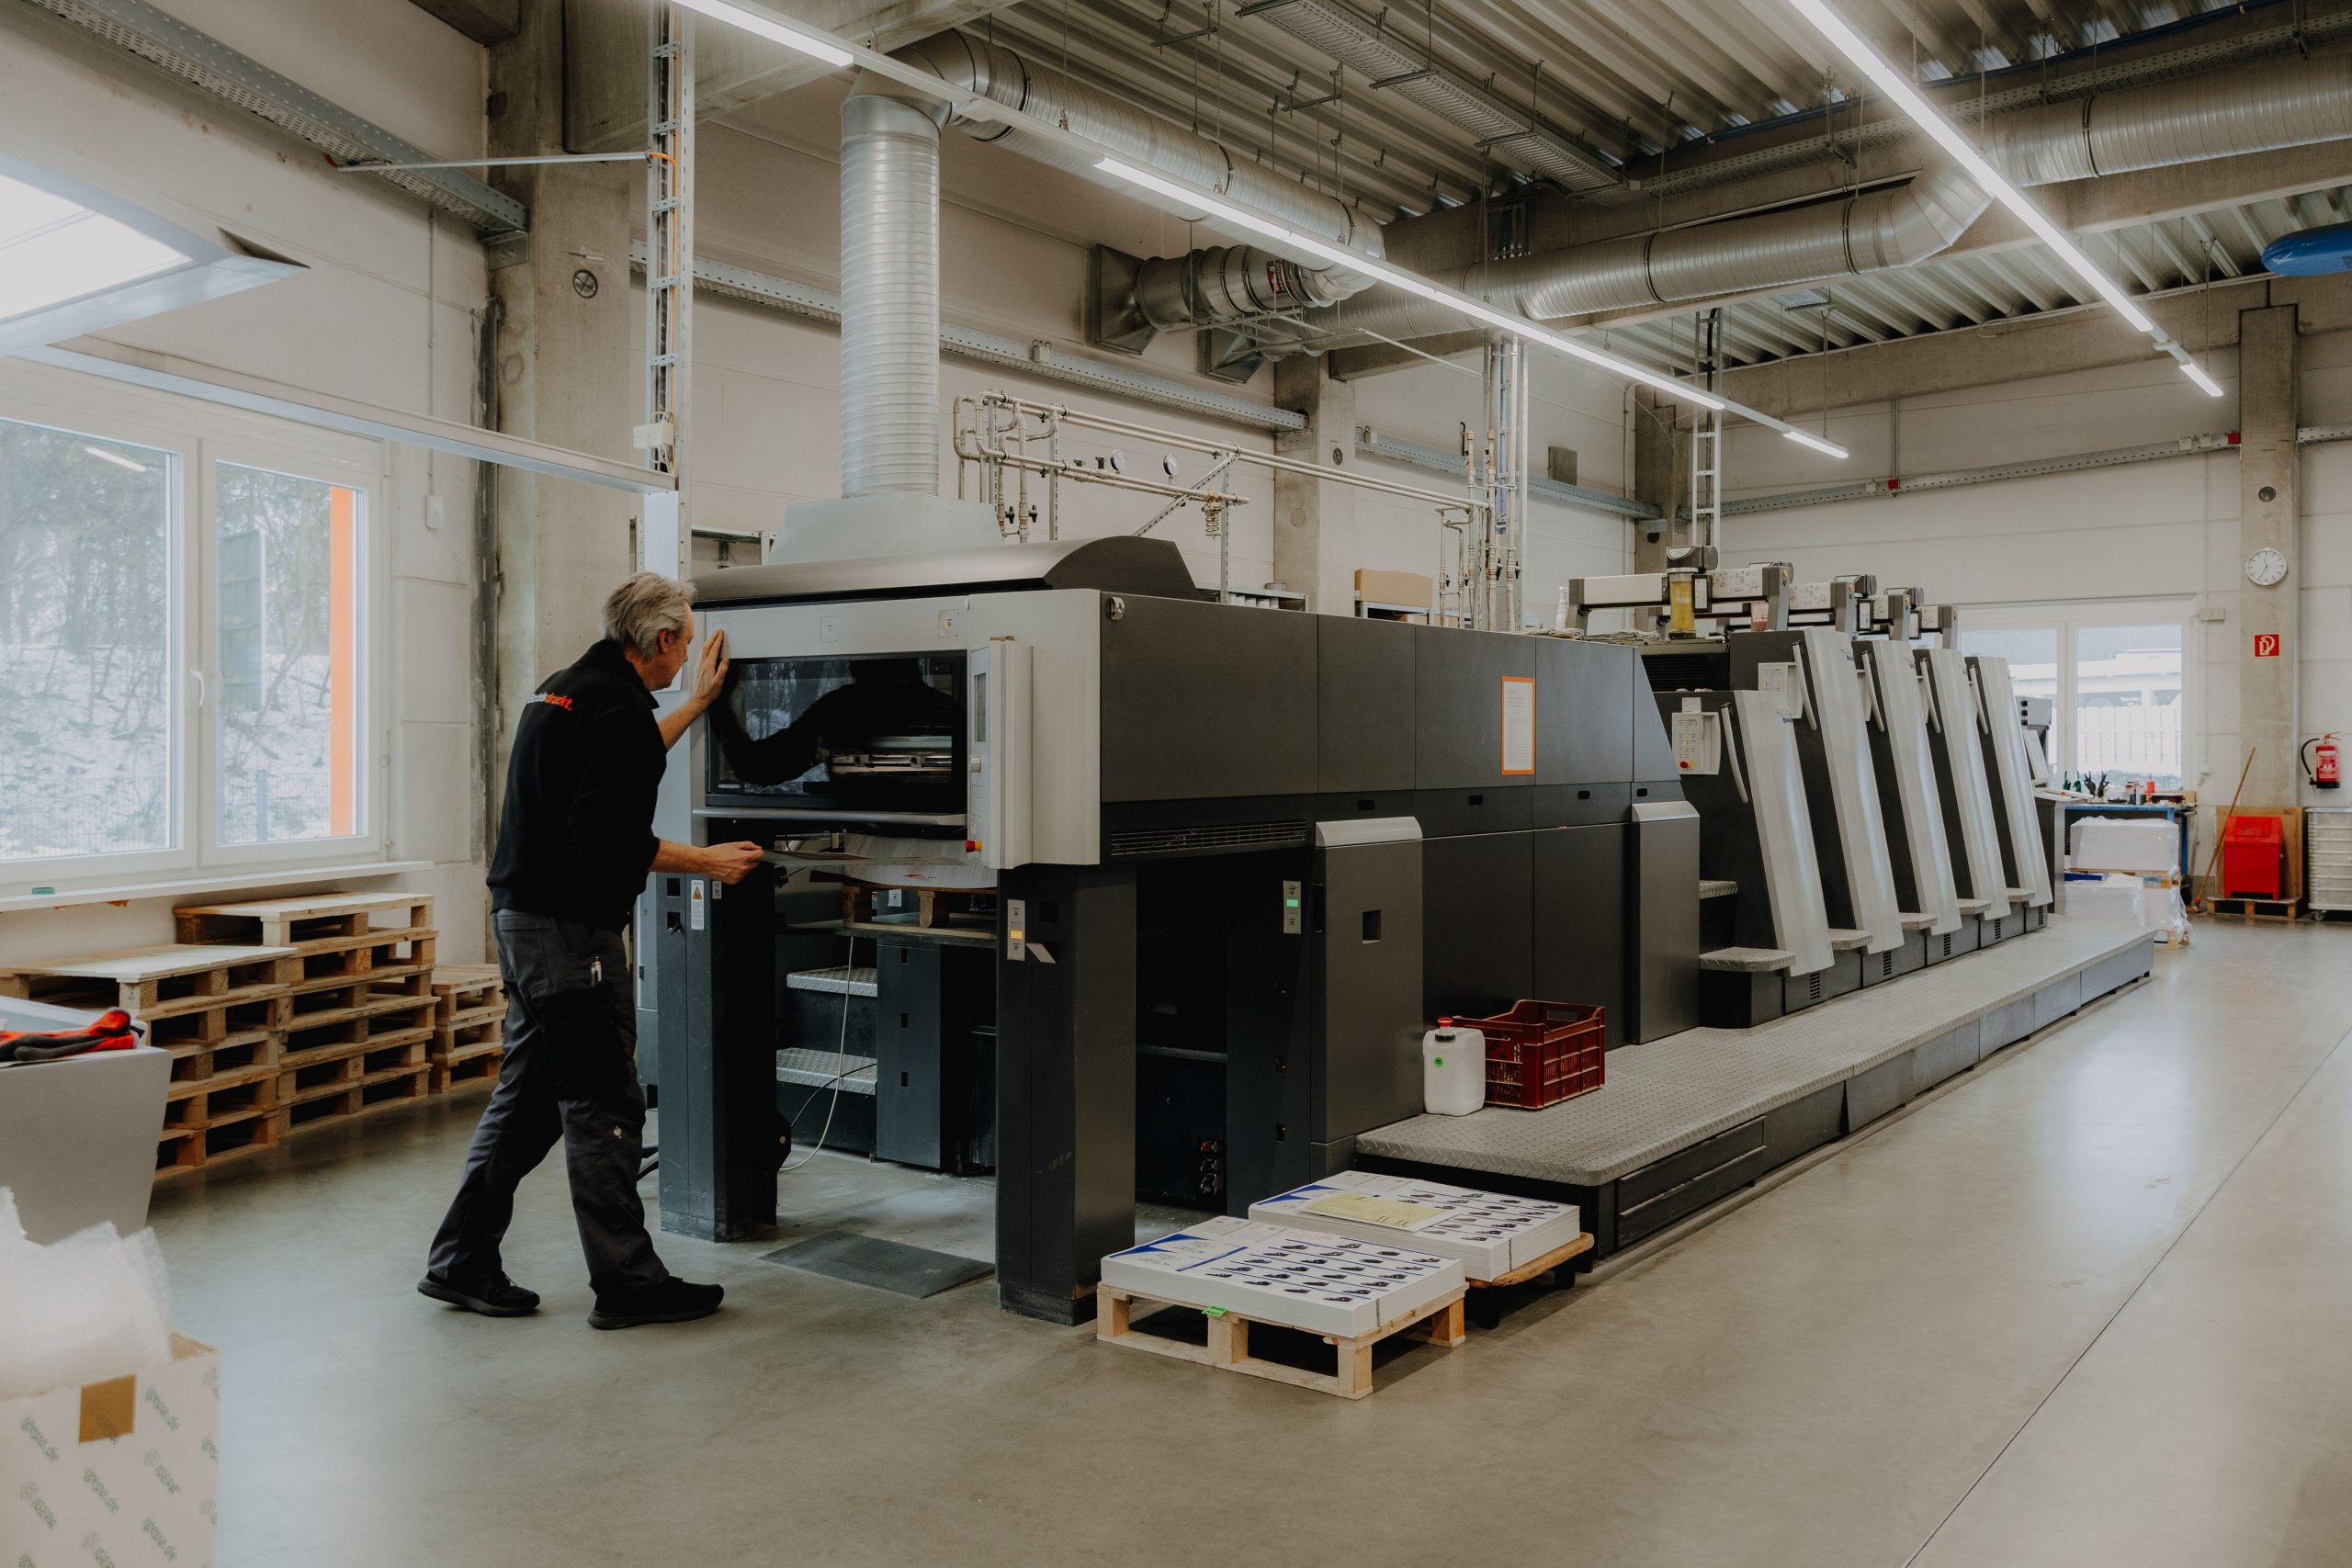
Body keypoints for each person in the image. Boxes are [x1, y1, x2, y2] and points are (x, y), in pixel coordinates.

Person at [420, 573, 764, 1329]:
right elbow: (606, 838)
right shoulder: (614, 708)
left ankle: (460, 1258)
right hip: (571, 937)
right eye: (684, 643)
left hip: (522, 923)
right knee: (604, 1099)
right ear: (662, 639)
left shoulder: (565, 690)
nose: (686, 657)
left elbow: (619, 762)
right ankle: (628, 1281)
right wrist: (708, 863)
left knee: (528, 1103)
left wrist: (695, 705)